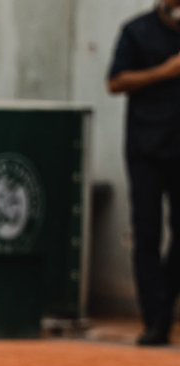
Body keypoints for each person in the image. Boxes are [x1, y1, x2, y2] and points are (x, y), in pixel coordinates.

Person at [108, 0, 180, 346]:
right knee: (147, 233)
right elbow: (116, 81)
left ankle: (164, 307)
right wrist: (164, 72)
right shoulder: (137, 31)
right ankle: (156, 320)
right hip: (146, 149)